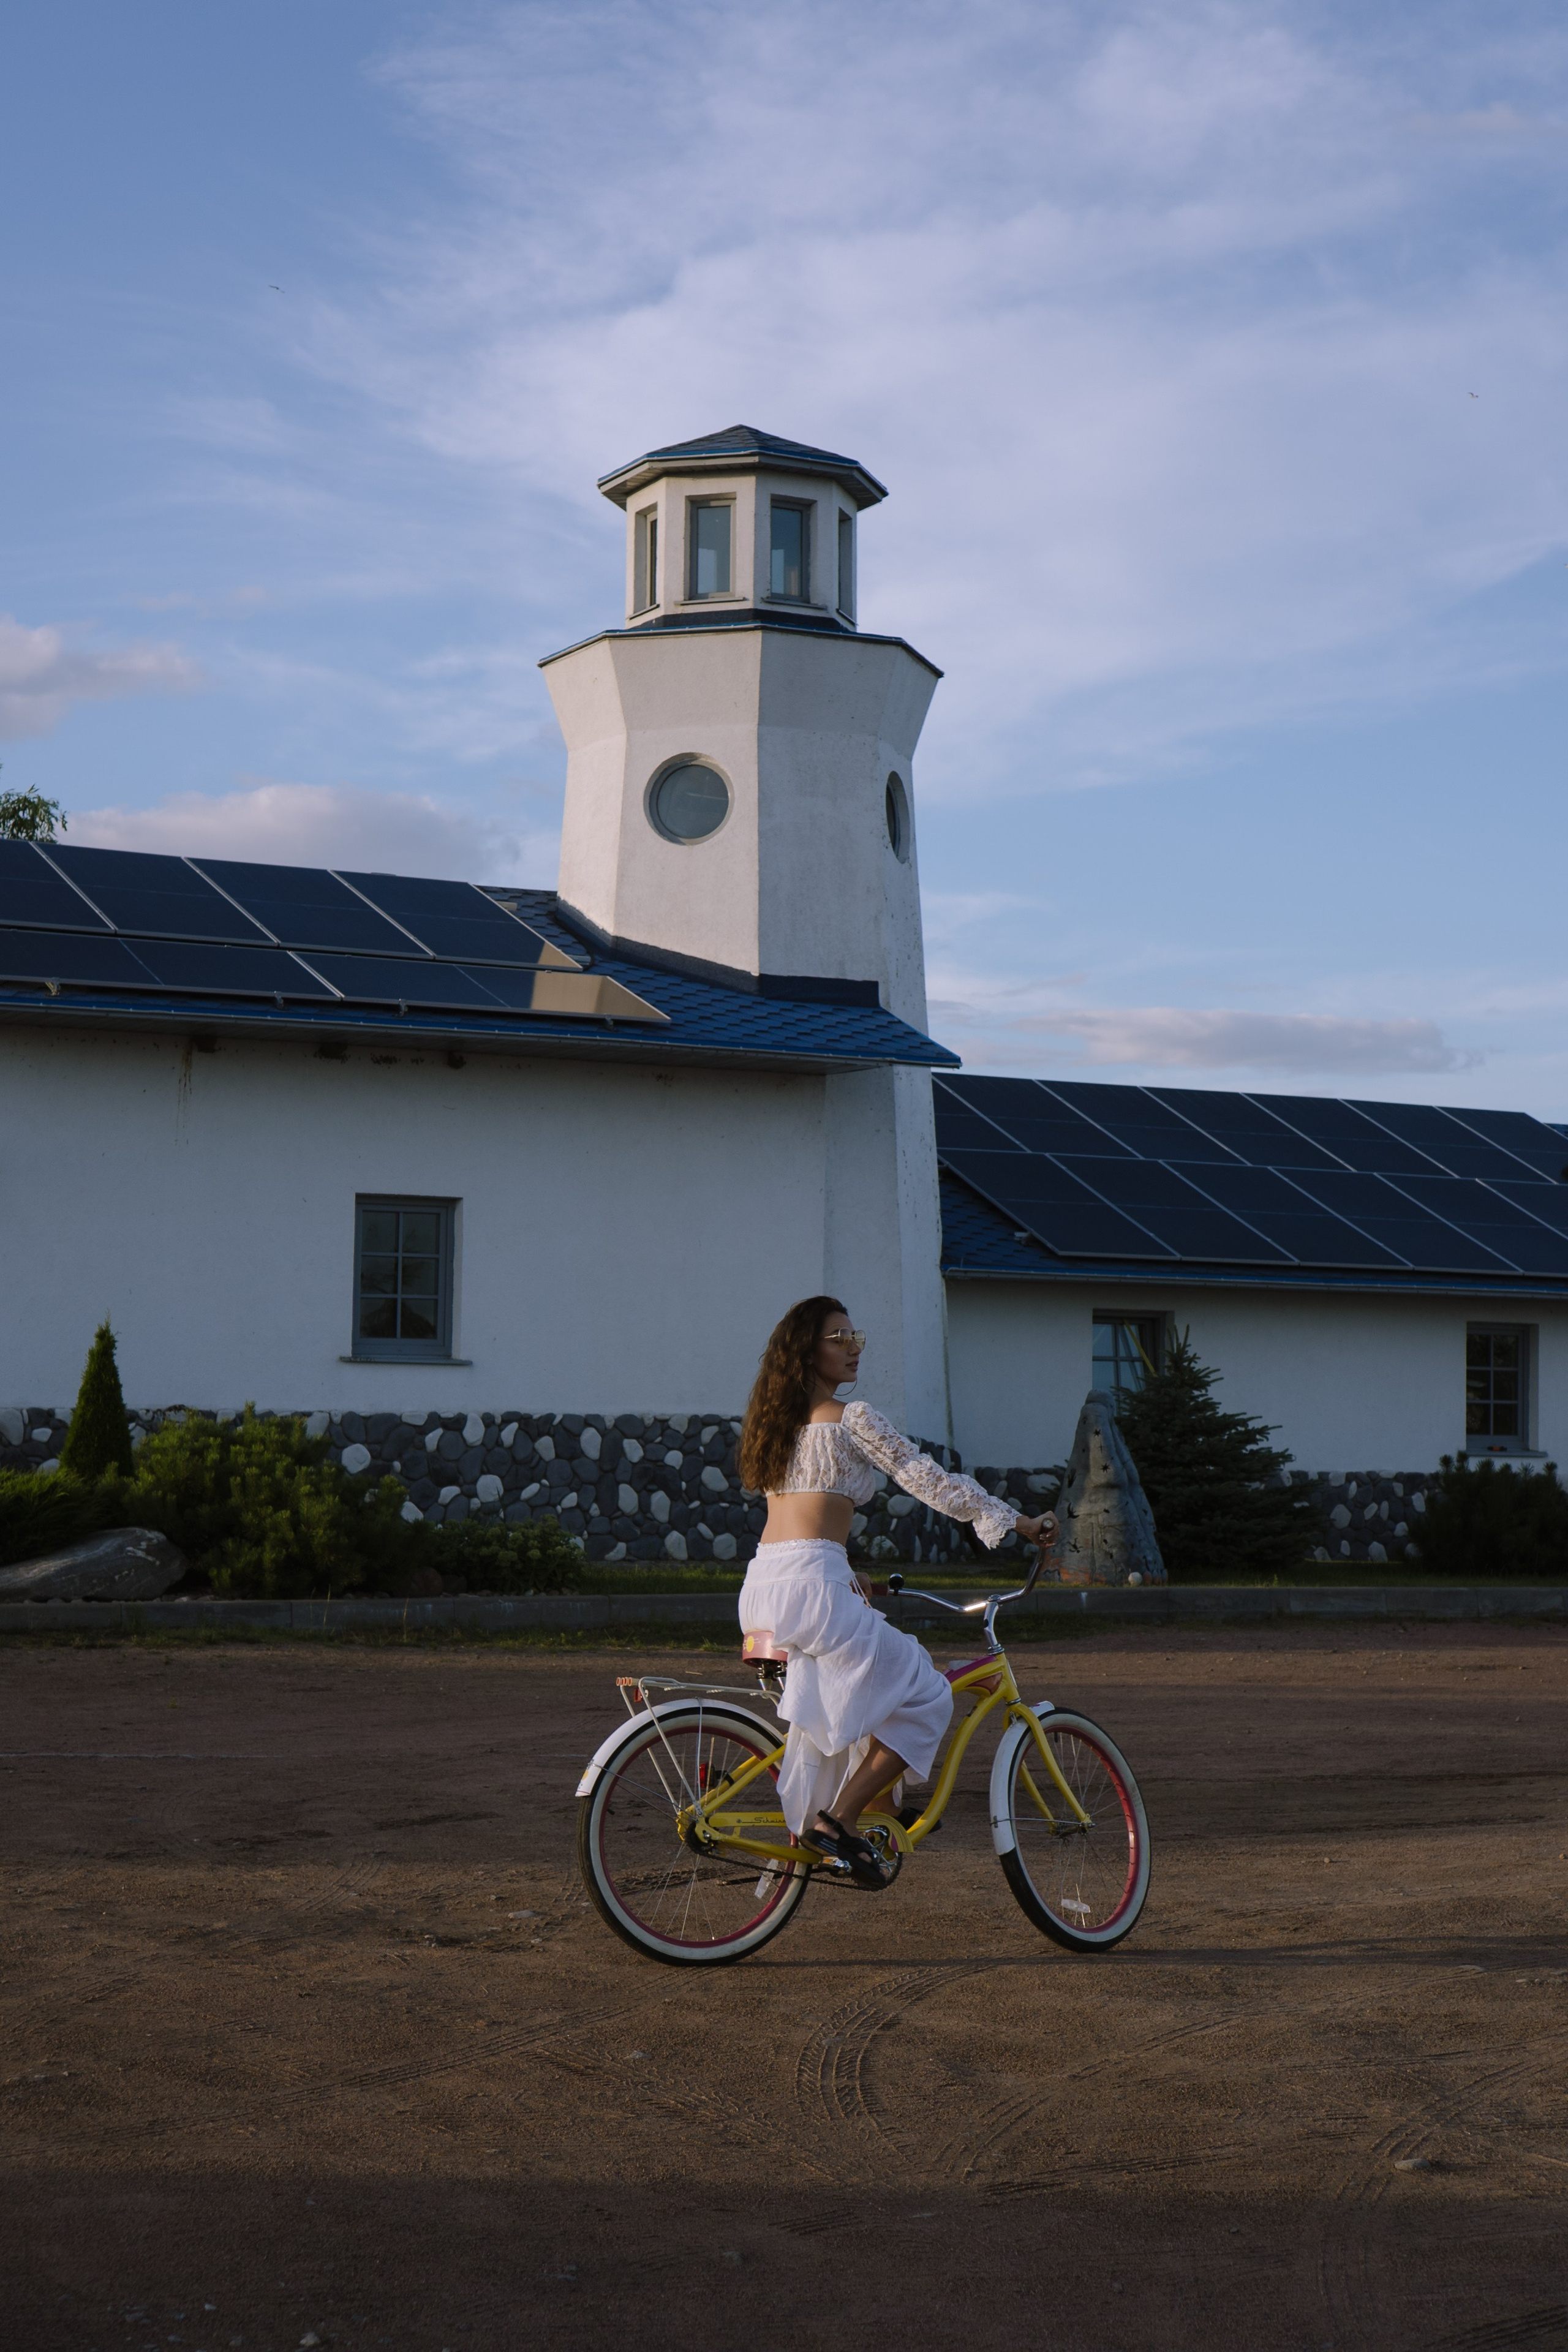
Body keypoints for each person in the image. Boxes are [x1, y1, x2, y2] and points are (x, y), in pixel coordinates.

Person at [736, 1295, 1056, 1888]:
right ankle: (839, 1820)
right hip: (811, 1587)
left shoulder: (775, 1429)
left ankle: (872, 1815)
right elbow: (926, 1478)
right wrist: (1018, 1522)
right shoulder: (851, 1418)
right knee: (928, 1695)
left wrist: (843, 1568)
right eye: (838, 1337)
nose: (854, 1347)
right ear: (805, 1350)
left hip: (765, 1585)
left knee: (870, 1691)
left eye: (855, 1336)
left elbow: (798, 1523)